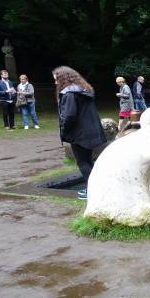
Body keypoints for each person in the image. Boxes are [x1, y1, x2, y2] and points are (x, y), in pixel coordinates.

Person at [54, 66, 107, 199]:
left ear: (63, 79)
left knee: (82, 162)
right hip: (89, 131)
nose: (55, 83)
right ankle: (98, 188)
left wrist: (64, 130)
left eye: (56, 79)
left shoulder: (69, 93)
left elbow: (69, 115)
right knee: (88, 161)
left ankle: (93, 192)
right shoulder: (83, 90)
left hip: (79, 133)